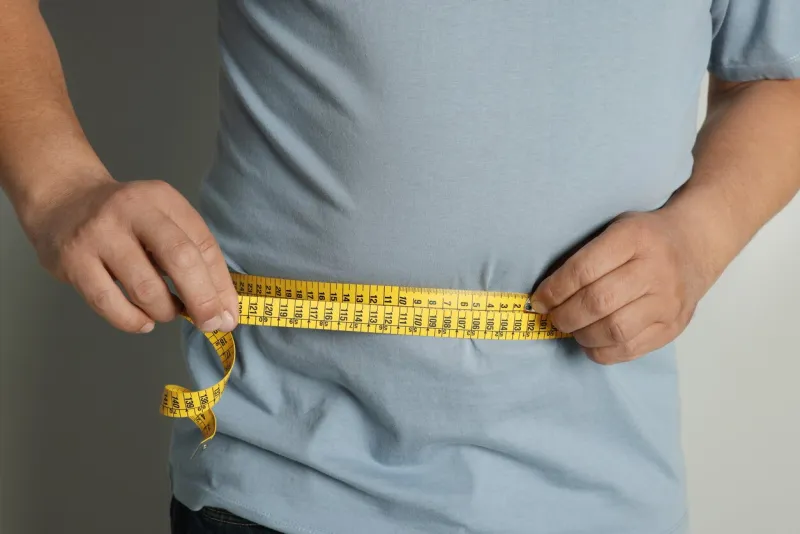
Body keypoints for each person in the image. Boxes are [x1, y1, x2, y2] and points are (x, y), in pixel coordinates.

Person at [2, 1, 799, 533]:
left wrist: (701, 237)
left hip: (604, 491)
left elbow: (779, 74)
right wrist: (57, 182)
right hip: (282, 479)